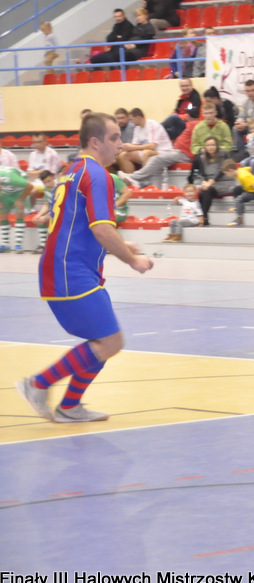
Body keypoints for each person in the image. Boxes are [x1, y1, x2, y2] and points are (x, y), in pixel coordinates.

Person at [15, 113, 154, 423]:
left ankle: (70, 406)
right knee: (111, 341)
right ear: (95, 142)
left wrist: (122, 245)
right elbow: (101, 229)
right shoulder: (97, 174)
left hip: (64, 268)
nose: (121, 144)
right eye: (114, 138)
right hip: (70, 271)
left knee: (103, 340)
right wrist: (132, 260)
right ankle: (37, 384)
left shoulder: (71, 171)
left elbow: (78, 225)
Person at [117, 108, 172, 174]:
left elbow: (152, 146)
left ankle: (145, 179)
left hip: (162, 151)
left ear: (138, 118)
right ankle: (131, 178)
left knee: (146, 153)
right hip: (148, 151)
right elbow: (135, 144)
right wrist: (126, 147)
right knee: (123, 156)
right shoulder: (137, 128)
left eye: (132, 119)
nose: (131, 122)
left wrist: (133, 147)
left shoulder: (152, 124)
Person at [192, 135, 233, 225]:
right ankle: (204, 218)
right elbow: (201, 172)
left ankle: (203, 218)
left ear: (217, 146)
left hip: (224, 182)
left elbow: (221, 170)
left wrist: (210, 182)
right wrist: (203, 182)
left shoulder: (223, 154)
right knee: (202, 192)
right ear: (205, 147)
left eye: (213, 145)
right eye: (208, 145)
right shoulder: (202, 157)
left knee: (207, 191)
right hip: (210, 183)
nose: (210, 147)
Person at [223, 160, 254, 226]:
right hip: (247, 188)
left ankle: (239, 219)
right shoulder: (239, 170)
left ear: (231, 170)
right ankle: (237, 206)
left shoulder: (243, 176)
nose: (226, 175)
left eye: (226, 173)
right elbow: (249, 168)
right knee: (235, 189)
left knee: (239, 199)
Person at [0, 159, 32, 254]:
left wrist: (20, 200)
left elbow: (30, 186)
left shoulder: (13, 179)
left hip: (20, 190)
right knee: (2, 215)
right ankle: (5, 245)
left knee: (19, 214)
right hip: (6, 191)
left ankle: (18, 245)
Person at [233, 79, 254, 154]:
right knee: (235, 128)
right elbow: (241, 116)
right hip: (249, 127)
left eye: (252, 90)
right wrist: (239, 122)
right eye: (247, 91)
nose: (250, 93)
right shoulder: (245, 102)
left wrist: (246, 124)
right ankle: (241, 153)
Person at [28, 170, 57, 254]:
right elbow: (46, 205)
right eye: (44, 182)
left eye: (49, 181)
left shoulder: (60, 187)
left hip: (63, 212)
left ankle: (52, 246)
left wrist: (45, 217)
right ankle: (43, 245)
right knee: (39, 219)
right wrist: (39, 215)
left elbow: (60, 208)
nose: (47, 184)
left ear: (53, 177)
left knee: (44, 219)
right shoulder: (47, 189)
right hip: (53, 212)